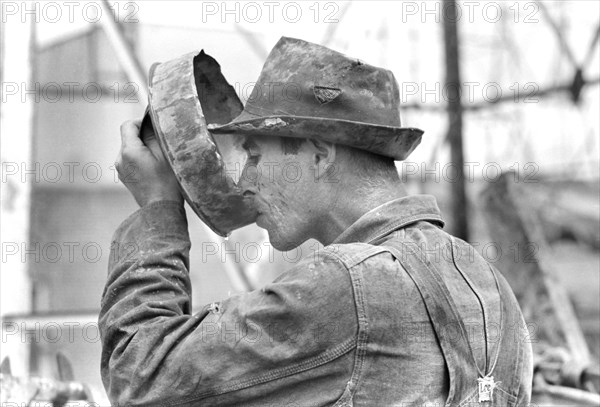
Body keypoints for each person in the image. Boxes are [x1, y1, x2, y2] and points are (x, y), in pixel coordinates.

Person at [99, 37, 533, 406]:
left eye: (253, 154)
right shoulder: (491, 285)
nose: (244, 180)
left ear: (319, 154)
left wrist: (157, 208)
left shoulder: (346, 286)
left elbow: (139, 375)